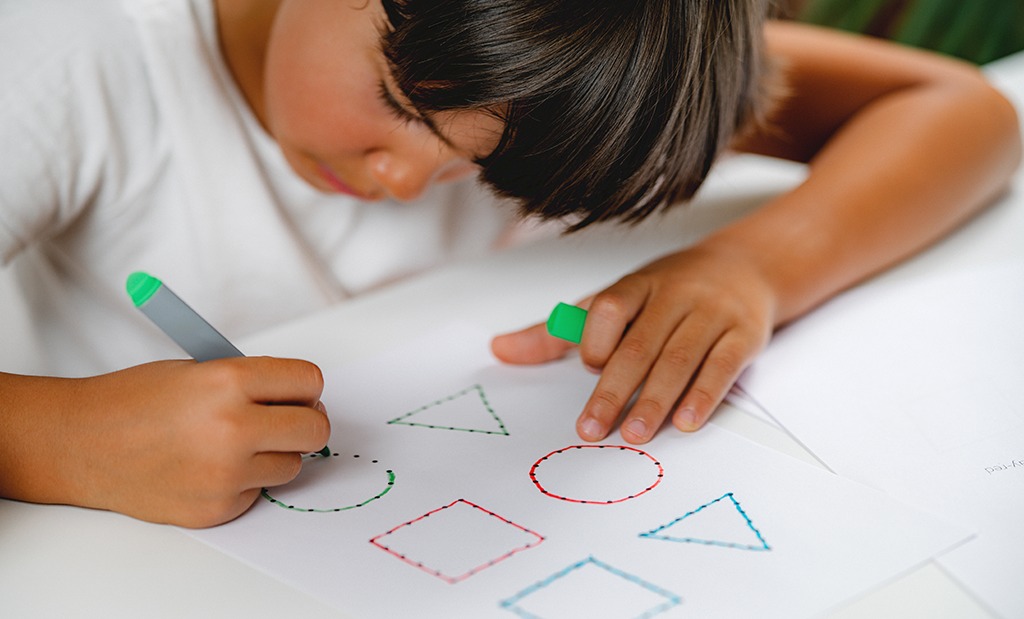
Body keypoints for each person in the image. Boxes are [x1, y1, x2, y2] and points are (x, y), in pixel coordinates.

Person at [0, 0, 1018, 528]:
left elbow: (962, 112)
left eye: (478, 166)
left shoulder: (580, 54)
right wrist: (52, 442)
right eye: (403, 108)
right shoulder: (74, 54)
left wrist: (749, 267)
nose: (408, 180)